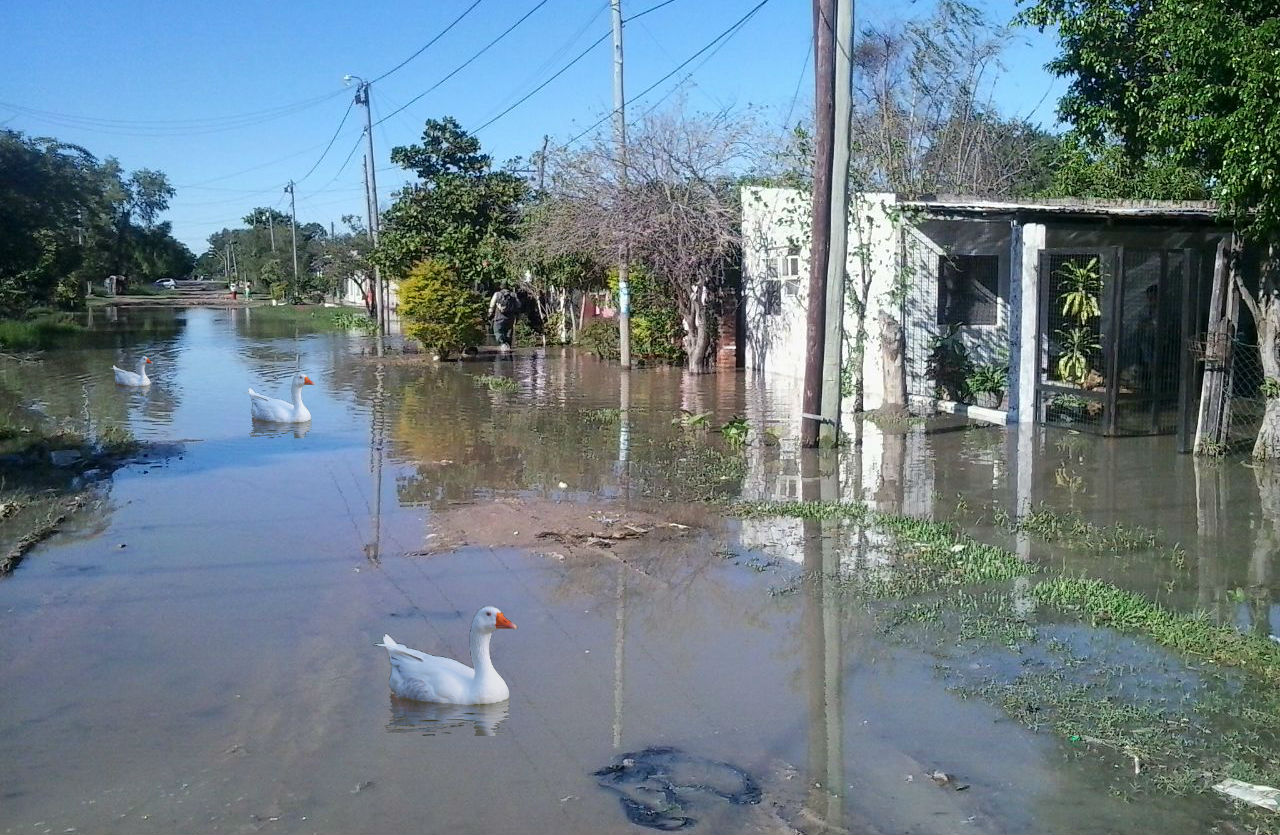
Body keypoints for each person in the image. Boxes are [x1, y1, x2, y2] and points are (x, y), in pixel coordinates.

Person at [488, 285, 520, 350]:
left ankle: (503, 345)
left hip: (499, 318)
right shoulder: (513, 295)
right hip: (510, 318)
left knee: (497, 331)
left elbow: (492, 305)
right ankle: (508, 347)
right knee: (508, 333)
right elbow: (518, 305)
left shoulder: (497, 294)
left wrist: (490, 314)